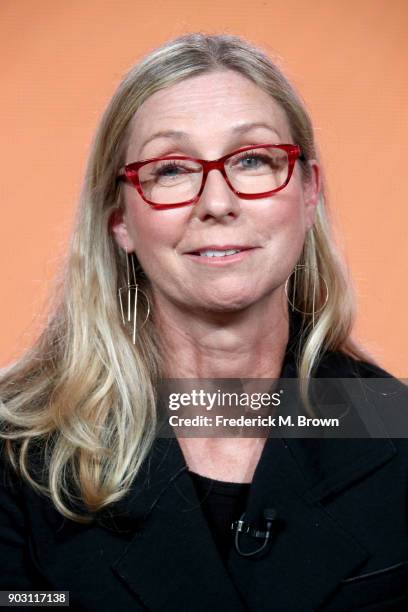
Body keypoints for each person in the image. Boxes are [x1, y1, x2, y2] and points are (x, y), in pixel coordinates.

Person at [0, 32, 407, 612]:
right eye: (171, 169)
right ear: (120, 219)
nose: (217, 202)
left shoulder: (398, 428)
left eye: (253, 160)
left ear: (309, 191)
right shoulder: (15, 450)